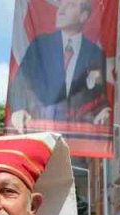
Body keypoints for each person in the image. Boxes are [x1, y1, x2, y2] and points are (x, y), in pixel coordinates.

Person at [8, 0, 110, 132]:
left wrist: (104, 110)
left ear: (83, 16)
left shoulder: (95, 54)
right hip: (41, 129)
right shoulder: (40, 45)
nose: (61, 10)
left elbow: (97, 95)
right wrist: (19, 109)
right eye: (61, 4)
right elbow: (20, 81)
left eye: (71, 5)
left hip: (78, 135)